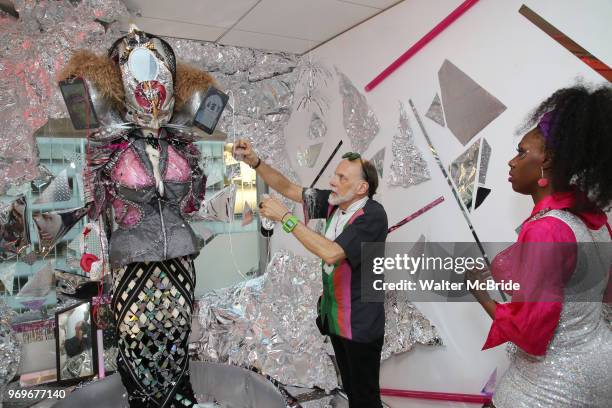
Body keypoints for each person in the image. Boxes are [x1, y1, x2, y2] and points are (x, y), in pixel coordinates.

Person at [59, 26, 214, 407]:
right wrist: (92, 254)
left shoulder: (181, 142)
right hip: (131, 259)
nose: (149, 89)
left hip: (179, 257)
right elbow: (94, 206)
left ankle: (180, 398)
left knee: (176, 333)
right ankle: (145, 401)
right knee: (137, 337)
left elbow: (193, 203)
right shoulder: (108, 143)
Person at [467, 84, 612, 407]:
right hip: (601, 374)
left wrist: (480, 292)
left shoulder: (546, 230)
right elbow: (605, 301)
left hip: (551, 389)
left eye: (521, 152)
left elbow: (530, 334)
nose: (511, 162)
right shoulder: (595, 221)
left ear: (547, 160)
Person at [233, 139, 388, 408]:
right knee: (353, 392)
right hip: (337, 318)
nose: (332, 181)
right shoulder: (336, 203)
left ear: (362, 188)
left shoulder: (372, 215)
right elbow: (289, 188)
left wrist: (285, 218)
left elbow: (331, 252)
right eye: (335, 175)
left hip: (360, 324)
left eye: (341, 177)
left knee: (366, 400)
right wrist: (255, 162)